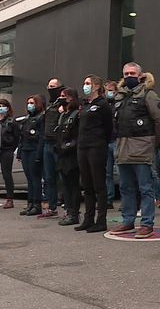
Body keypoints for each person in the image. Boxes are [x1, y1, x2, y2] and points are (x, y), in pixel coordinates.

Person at [109, 63, 160, 239]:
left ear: (140, 75)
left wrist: (152, 143)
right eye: (126, 73)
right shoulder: (120, 97)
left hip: (141, 149)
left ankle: (147, 224)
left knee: (145, 188)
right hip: (122, 149)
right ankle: (128, 221)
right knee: (126, 188)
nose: (129, 76)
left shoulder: (149, 95)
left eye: (132, 73)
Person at [75, 74, 113, 233]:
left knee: (98, 184)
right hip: (82, 146)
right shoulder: (84, 105)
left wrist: (101, 141)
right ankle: (88, 218)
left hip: (96, 146)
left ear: (96, 86)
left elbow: (108, 127)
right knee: (87, 184)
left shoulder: (103, 104)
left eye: (88, 83)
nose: (85, 86)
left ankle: (101, 220)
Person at [56, 88, 81, 226]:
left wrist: (69, 146)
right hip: (62, 154)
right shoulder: (63, 115)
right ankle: (68, 210)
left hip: (72, 155)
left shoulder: (76, 114)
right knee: (65, 185)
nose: (61, 98)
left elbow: (78, 135)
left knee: (73, 185)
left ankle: (74, 213)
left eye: (63, 96)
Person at [40, 78, 65, 219]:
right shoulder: (50, 105)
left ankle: (67, 206)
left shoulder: (64, 103)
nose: (50, 88)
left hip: (58, 144)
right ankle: (51, 206)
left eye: (53, 86)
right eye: (49, 86)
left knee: (63, 176)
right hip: (47, 143)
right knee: (49, 177)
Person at [17, 95, 45, 216]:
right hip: (26, 150)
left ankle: (37, 204)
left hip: (34, 150)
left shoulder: (41, 117)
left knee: (35, 178)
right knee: (29, 178)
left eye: (32, 103)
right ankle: (30, 203)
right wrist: (19, 152)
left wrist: (39, 154)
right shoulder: (27, 118)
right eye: (28, 103)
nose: (30, 105)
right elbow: (22, 137)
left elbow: (41, 137)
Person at [0, 99, 20, 209]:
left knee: (6, 174)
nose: (1, 108)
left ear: (8, 108)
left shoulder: (11, 121)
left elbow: (17, 137)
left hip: (7, 150)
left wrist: (11, 147)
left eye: (3, 106)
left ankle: (10, 199)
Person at [104, 80, 119, 209]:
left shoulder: (118, 104)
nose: (109, 92)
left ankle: (126, 200)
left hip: (116, 141)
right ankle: (109, 198)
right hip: (107, 141)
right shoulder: (105, 105)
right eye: (107, 90)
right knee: (107, 173)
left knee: (121, 171)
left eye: (111, 90)